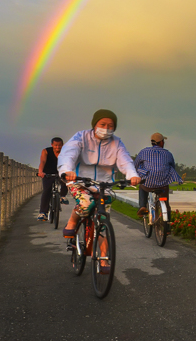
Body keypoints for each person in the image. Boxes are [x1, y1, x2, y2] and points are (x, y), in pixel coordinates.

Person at [58, 109, 140, 267]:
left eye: (111, 125)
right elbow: (69, 153)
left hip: (104, 184)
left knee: (103, 220)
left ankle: (103, 259)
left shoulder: (117, 142)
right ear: (94, 124)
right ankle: (73, 221)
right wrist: (67, 170)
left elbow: (125, 159)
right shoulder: (81, 137)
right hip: (79, 180)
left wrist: (132, 175)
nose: (106, 128)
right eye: (102, 124)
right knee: (86, 204)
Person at [133, 132, 183, 216]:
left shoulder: (144, 151)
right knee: (166, 203)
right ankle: (167, 221)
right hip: (163, 184)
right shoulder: (168, 154)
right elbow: (173, 167)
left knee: (142, 186)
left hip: (147, 183)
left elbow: (135, 165)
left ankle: (142, 206)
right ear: (161, 142)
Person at [36, 137, 69, 221]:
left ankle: (63, 196)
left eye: (60, 145)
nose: (58, 147)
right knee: (46, 191)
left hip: (60, 172)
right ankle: (43, 213)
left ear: (63, 145)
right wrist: (40, 172)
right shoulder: (46, 151)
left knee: (65, 180)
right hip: (48, 173)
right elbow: (42, 161)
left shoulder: (65, 151)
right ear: (52, 145)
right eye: (56, 145)